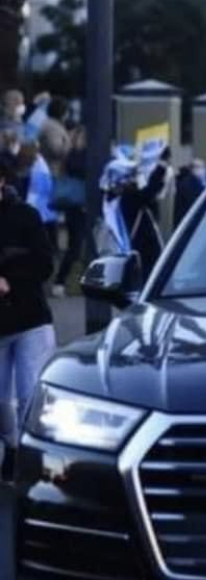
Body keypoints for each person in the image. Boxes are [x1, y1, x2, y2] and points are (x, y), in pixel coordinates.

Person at [0, 154, 55, 481]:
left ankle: (23, 457)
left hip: (31, 320)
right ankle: (11, 445)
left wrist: (10, 281)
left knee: (29, 394)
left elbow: (44, 264)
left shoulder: (25, 216)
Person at [51, 125, 87, 298]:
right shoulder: (78, 157)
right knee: (76, 246)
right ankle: (61, 281)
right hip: (79, 206)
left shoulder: (71, 155)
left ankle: (61, 281)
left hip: (76, 207)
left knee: (76, 245)